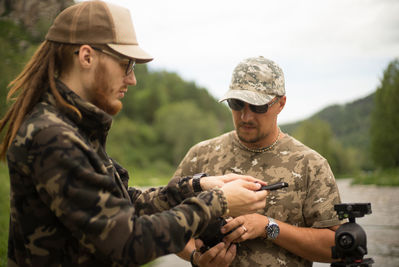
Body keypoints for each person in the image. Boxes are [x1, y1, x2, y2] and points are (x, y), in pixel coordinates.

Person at [0, 2, 269, 266]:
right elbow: (127, 242)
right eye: (126, 64)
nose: (132, 79)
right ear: (86, 57)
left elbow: (126, 203)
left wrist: (198, 187)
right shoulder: (53, 136)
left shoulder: (73, 129)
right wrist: (218, 202)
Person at [172, 56, 343, 267]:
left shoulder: (310, 165)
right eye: (236, 104)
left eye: (258, 106)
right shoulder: (201, 155)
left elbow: (337, 247)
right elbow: (168, 225)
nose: (245, 116)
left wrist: (269, 227)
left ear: (281, 103)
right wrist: (196, 258)